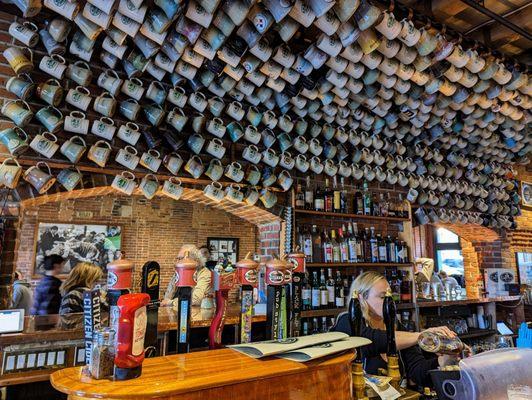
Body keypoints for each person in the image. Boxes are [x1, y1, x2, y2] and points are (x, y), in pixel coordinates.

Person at [332, 271, 461, 388]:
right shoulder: (347, 321)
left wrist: (444, 361)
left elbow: (418, 372)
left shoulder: (397, 327)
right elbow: (369, 341)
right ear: (361, 298)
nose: (389, 303)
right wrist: (422, 335)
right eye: (383, 297)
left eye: (390, 297)